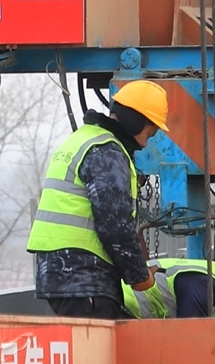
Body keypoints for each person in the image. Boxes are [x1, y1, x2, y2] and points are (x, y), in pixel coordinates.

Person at [28, 79, 170, 318]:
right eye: (151, 131)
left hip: (63, 275)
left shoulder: (84, 139)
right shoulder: (107, 151)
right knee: (97, 353)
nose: (147, 142)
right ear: (136, 120)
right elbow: (115, 223)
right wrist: (140, 276)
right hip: (84, 277)